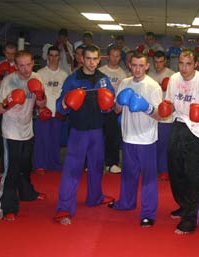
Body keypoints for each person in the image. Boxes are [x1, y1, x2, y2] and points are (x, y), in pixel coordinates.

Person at [53, 45, 115, 225]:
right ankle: (64, 208)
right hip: (78, 132)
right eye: (88, 58)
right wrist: (66, 101)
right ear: (81, 59)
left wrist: (108, 104)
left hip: (97, 130)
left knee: (96, 167)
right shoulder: (73, 80)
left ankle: (95, 197)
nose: (92, 62)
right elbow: (60, 108)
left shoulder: (103, 80)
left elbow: (109, 107)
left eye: (95, 59)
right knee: (72, 170)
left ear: (99, 59)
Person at [162, 49, 199, 234]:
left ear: (195, 64)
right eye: (181, 64)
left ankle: (191, 218)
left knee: (191, 175)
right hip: (178, 124)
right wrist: (165, 108)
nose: (184, 68)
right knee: (175, 171)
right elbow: (168, 103)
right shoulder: (174, 79)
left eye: (188, 64)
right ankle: (184, 205)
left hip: (197, 129)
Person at [108, 52, 163, 227]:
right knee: (128, 175)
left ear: (147, 66)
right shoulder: (124, 83)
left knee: (148, 178)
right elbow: (116, 110)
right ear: (129, 65)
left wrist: (146, 107)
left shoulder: (153, 86)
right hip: (128, 136)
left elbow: (159, 116)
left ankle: (148, 213)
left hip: (146, 139)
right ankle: (126, 203)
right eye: (134, 65)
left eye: (141, 65)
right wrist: (118, 102)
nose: (137, 69)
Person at [0, 50, 47, 221]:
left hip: (27, 129)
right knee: (10, 170)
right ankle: (7, 206)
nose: (25, 69)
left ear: (33, 63)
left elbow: (41, 104)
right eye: (21, 65)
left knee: (25, 166)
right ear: (16, 66)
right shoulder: (9, 81)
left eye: (28, 64)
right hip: (10, 131)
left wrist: (40, 95)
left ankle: (27, 193)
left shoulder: (37, 78)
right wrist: (9, 102)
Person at [33, 46, 68, 174]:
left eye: (56, 55)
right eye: (51, 55)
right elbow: (35, 93)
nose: (53, 58)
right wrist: (39, 108)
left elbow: (66, 95)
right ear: (47, 57)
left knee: (55, 141)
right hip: (43, 111)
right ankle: (40, 165)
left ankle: (54, 164)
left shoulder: (64, 75)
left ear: (59, 57)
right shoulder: (39, 73)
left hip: (57, 112)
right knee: (41, 140)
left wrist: (63, 110)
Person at [99, 46, 128, 173]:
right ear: (107, 56)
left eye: (117, 56)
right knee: (97, 138)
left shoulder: (123, 73)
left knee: (113, 137)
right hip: (100, 109)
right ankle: (95, 163)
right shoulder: (100, 71)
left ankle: (112, 163)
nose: (115, 58)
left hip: (114, 109)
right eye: (112, 55)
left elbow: (123, 93)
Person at [148, 50, 175, 180]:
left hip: (166, 117)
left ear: (165, 61)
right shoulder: (149, 75)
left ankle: (164, 170)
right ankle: (152, 169)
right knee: (152, 144)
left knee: (164, 144)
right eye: (156, 62)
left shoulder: (173, 76)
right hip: (151, 115)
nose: (158, 65)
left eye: (161, 62)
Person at [0, 42, 18, 174]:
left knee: (21, 139)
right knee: (5, 136)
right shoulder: (1, 66)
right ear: (5, 53)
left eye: (13, 53)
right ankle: (5, 168)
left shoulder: (20, 65)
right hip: (5, 103)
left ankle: (19, 168)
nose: (10, 56)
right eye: (8, 53)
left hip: (20, 103)